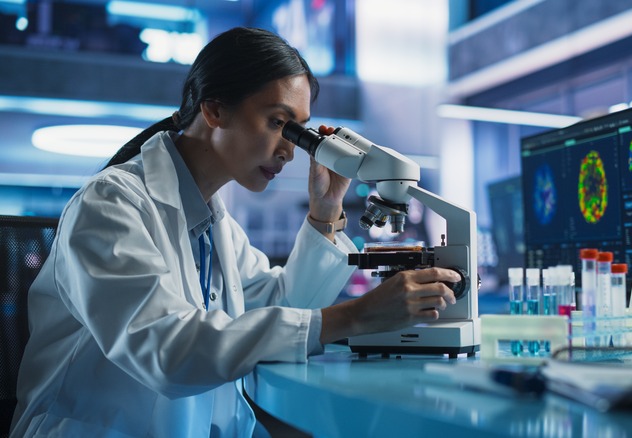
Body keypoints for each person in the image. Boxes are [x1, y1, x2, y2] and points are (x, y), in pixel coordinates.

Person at [10, 27, 458, 437]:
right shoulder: (110, 205)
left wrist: (326, 211)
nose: (289, 150)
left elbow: (281, 306)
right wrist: (355, 317)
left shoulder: (213, 223)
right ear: (215, 108)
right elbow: (165, 348)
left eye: (297, 131)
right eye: (279, 122)